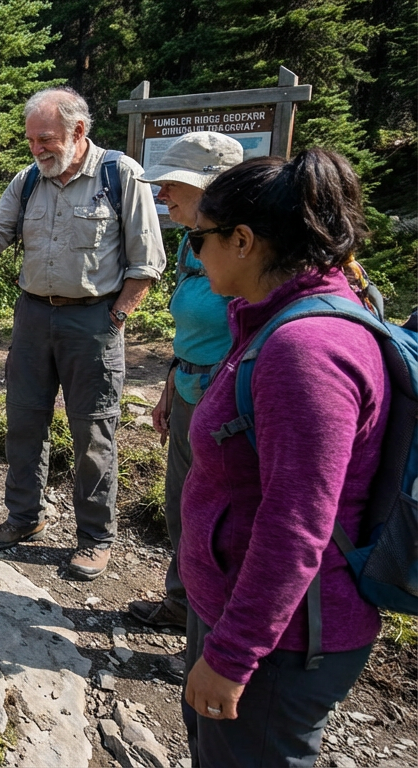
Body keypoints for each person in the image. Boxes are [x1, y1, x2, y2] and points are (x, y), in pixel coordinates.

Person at [178, 148, 383, 767]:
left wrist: (234, 654)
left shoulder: (305, 351)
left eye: (199, 238)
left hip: (282, 643)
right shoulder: (272, 321)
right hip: (244, 612)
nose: (192, 255)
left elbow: (297, 527)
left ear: (242, 241)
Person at [0, 86, 165, 579]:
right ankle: (25, 517)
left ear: (78, 131)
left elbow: (147, 261)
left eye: (45, 139)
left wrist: (117, 317)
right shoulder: (27, 181)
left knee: (93, 431)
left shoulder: (119, 174)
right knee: (24, 420)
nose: (37, 149)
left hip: (93, 322)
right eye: (31, 140)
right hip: (32, 317)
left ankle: (95, 538)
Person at [127, 132, 244, 630]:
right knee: (182, 506)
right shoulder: (189, 244)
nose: (162, 194)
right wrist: (171, 383)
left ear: (210, 187)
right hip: (189, 389)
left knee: (220, 521)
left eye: (173, 184)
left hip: (228, 399)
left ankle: (215, 632)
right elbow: (190, 326)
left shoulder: (244, 246)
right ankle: (182, 606)